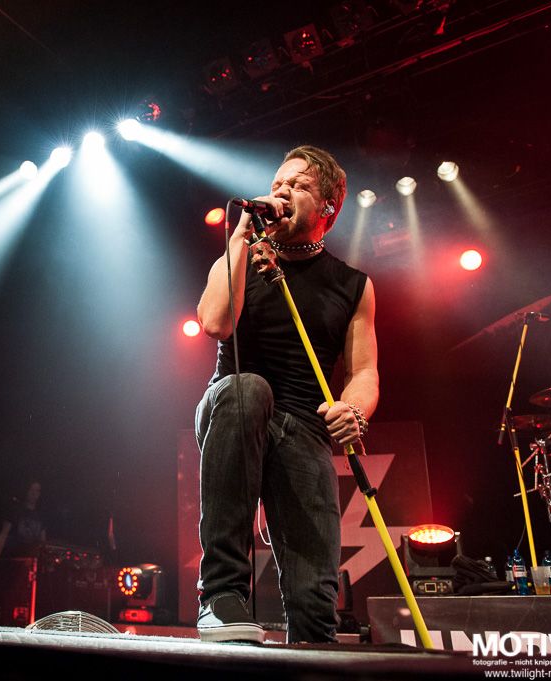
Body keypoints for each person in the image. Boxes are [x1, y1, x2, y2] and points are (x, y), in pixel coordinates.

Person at [194, 146, 378, 644]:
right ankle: (220, 595)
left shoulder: (353, 285)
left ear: (328, 209)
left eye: (299, 186)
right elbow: (215, 323)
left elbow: (363, 371)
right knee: (250, 389)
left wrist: (354, 410)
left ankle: (310, 647)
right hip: (233, 402)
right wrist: (240, 236)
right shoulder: (239, 257)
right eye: (278, 183)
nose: (281, 191)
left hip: (304, 426)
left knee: (316, 610)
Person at [0, 480, 47, 560]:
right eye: (31, 489)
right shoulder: (15, 510)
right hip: (13, 557)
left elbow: (42, 540)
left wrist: (43, 558)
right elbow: (3, 534)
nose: (34, 493)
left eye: (37, 490)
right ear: (27, 491)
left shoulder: (40, 515)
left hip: (31, 559)